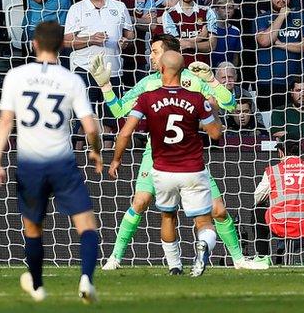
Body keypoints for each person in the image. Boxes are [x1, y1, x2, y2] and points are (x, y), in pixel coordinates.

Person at [90, 33, 267, 272]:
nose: (150, 56)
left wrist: (213, 81)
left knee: (218, 210)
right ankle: (115, 257)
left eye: (154, 51)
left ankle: (238, 260)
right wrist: (106, 86)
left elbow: (229, 104)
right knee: (140, 202)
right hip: (155, 154)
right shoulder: (147, 84)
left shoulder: (193, 81)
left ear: (168, 55)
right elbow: (120, 111)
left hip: (188, 156)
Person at [0, 21, 103, 302]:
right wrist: (95, 151)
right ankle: (87, 279)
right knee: (87, 224)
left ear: (34, 44)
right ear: (62, 45)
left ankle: (38, 286)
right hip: (62, 162)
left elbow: (6, 122)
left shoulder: (15, 76)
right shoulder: (72, 80)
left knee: (32, 227)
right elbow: (90, 127)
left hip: (29, 165)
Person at [109, 50, 223, 277]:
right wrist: (213, 110)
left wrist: (116, 159)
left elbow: (125, 132)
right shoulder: (196, 98)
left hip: (162, 170)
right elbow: (215, 134)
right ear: (183, 71)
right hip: (193, 169)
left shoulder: (147, 98)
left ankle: (175, 266)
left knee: (167, 217)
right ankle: (202, 247)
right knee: (204, 222)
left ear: (161, 69)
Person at [63, 0, 134, 137]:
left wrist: (126, 41)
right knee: (85, 119)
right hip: (85, 68)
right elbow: (66, 41)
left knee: (110, 118)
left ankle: (108, 156)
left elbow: (130, 34)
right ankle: (82, 156)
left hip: (113, 69)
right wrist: (91, 39)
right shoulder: (77, 9)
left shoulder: (119, 6)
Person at [253, 140, 304, 265]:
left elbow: (257, 197)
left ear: (281, 152)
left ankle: (261, 257)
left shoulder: (274, 171)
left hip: (286, 226)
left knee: (258, 210)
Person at [255, 0, 304, 111]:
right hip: (268, 83)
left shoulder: (301, 17)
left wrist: (281, 45)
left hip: (295, 85)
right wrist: (281, 16)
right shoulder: (261, 18)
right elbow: (265, 41)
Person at [162, 0, 217, 66]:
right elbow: (175, 46)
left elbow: (212, 45)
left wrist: (189, 44)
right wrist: (199, 38)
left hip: (203, 69)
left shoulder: (207, 11)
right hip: (180, 70)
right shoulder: (168, 14)